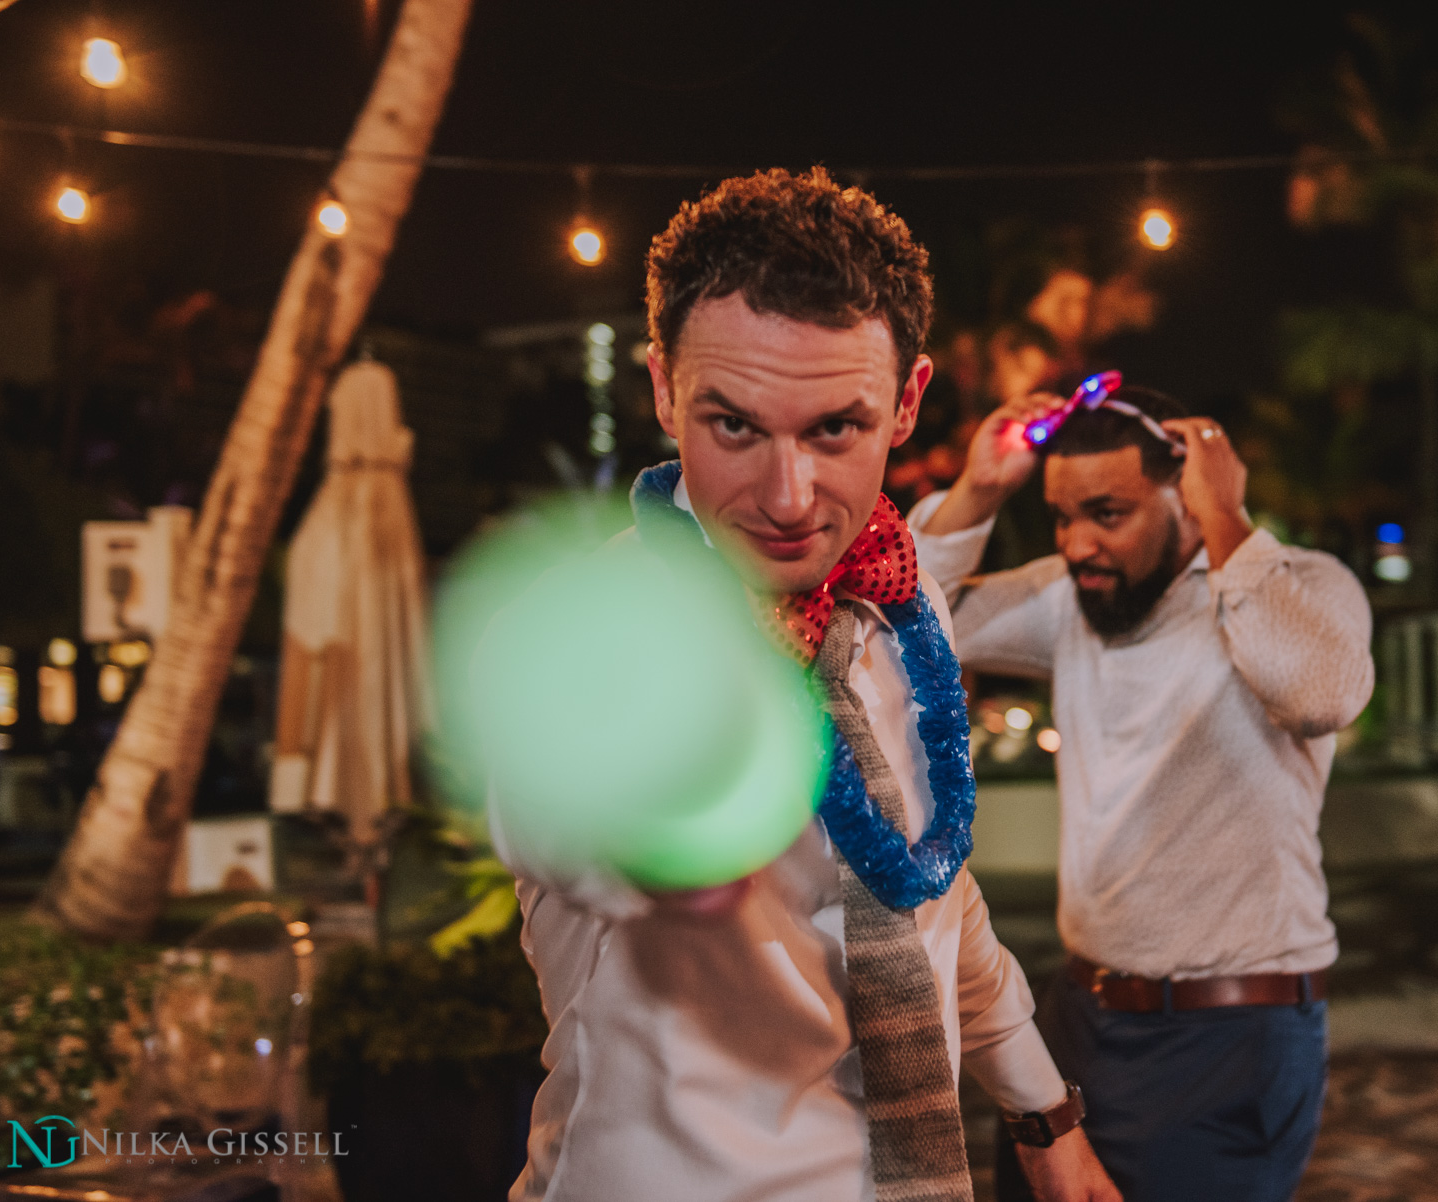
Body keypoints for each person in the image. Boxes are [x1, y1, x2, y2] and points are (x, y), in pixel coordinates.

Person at [492, 169, 1120, 1202]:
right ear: (661, 388)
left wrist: (1046, 1117)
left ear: (909, 403)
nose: (787, 498)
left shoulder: (896, 618)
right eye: (733, 424)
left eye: (836, 428)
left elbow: (933, 893)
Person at [907, 380, 1375, 1201]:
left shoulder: (1303, 583)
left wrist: (1228, 520)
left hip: (1233, 1037)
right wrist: (978, 492)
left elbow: (1321, 694)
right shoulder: (1070, 601)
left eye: (1108, 514)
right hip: (1076, 1025)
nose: (1079, 543)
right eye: (1062, 517)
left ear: (1187, 496)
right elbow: (907, 614)